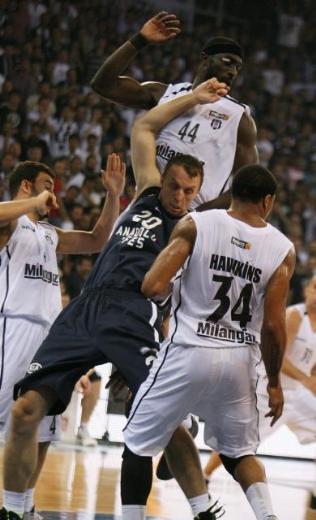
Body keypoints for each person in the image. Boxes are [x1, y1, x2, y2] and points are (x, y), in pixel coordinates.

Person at [1, 79, 229, 520]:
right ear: (164, 181)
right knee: (26, 409)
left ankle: (203, 508)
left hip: (133, 313)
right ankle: (13, 511)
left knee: (168, 416)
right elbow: (144, 126)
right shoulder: (146, 191)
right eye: (176, 188)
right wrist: (195, 98)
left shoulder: (195, 225)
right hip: (85, 309)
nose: (182, 198)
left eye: (190, 192)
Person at [124, 164, 296, 520]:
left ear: (233, 191)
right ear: (268, 201)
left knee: (137, 443)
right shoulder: (282, 248)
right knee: (239, 454)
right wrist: (276, 383)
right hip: (239, 360)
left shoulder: (197, 223)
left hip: (189, 349)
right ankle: (268, 516)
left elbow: (153, 285)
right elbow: (275, 326)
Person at [0, 155, 126, 518]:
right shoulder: (12, 224)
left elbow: (98, 240)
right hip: (13, 326)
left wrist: (113, 196)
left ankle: (23, 507)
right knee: (13, 421)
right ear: (26, 186)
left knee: (40, 432)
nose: (52, 195)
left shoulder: (50, 234)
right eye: (46, 186)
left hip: (49, 335)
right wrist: (34, 203)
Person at [90, 11, 258, 209]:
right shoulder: (164, 93)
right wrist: (140, 40)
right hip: (148, 205)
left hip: (193, 217)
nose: (232, 71)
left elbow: (246, 185)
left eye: (238, 67)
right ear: (205, 59)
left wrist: (198, 217)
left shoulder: (239, 118)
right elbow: (103, 85)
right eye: (227, 62)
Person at [203, 275, 316, 484]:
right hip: (271, 392)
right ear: (307, 289)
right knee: (238, 443)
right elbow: (277, 358)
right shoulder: (295, 316)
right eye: (315, 287)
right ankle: (205, 475)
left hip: (297, 395)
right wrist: (305, 379)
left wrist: (311, 382)